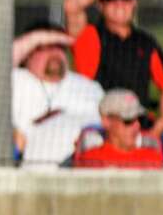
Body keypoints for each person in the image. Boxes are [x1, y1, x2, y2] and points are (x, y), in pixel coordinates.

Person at [62, 0, 163, 137]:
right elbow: (71, 7)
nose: (119, 4)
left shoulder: (145, 42)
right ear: (100, 4)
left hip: (136, 130)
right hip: (100, 129)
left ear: (134, 2)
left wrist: (159, 126)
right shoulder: (89, 36)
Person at [11, 22, 104, 167]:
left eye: (60, 46)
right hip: (31, 172)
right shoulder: (15, 80)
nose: (54, 52)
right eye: (45, 47)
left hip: (84, 170)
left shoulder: (89, 87)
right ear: (27, 54)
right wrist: (36, 38)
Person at [74, 89, 163, 168]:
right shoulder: (90, 161)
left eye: (140, 119)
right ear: (106, 121)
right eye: (128, 120)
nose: (137, 125)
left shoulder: (154, 158)